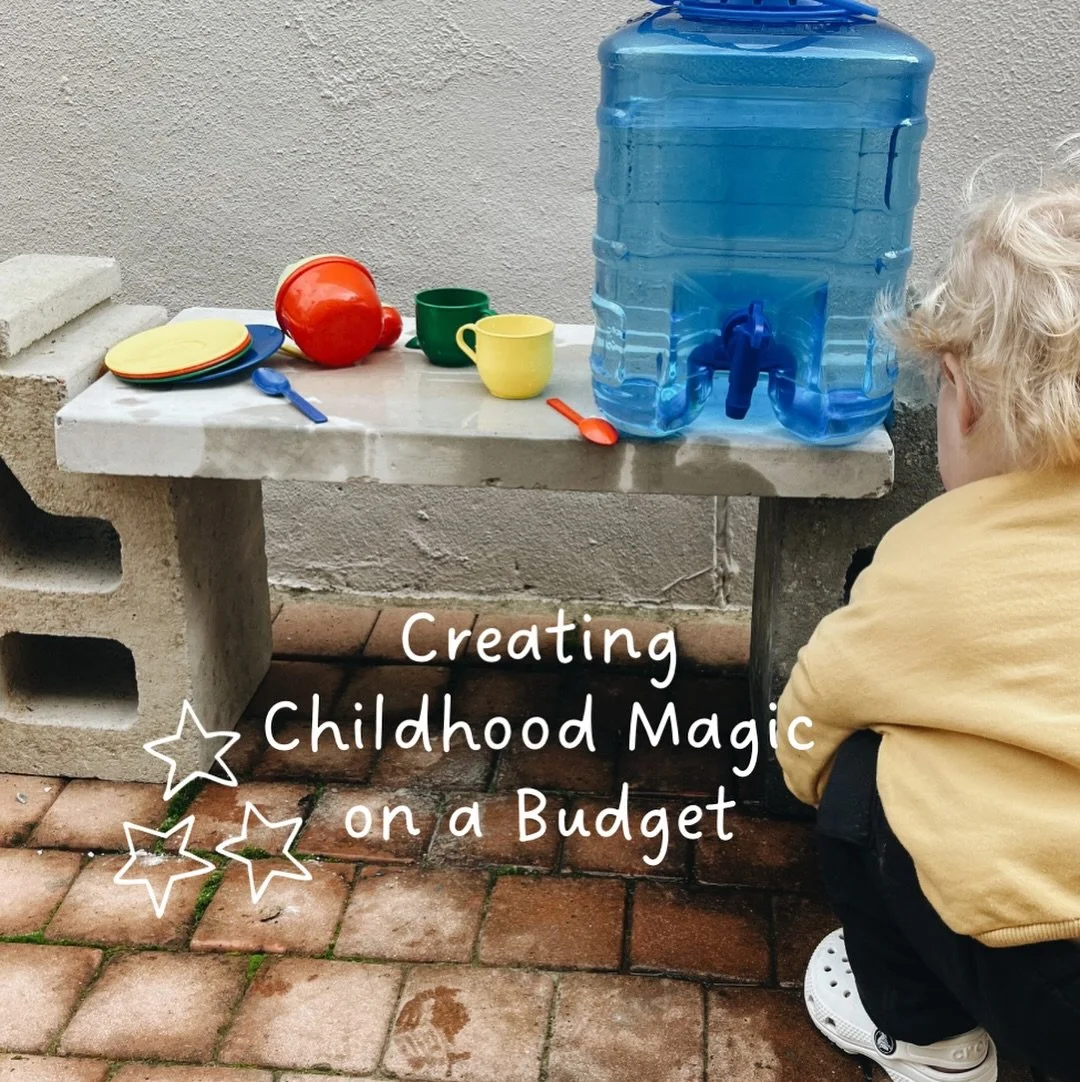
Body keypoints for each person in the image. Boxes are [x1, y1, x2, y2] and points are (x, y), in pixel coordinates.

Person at [776, 165, 1080, 1082]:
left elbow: (810, 716)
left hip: (1049, 979)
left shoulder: (934, 557)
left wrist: (801, 769)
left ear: (965, 394)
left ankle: (931, 1043)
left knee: (859, 785)